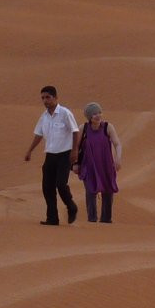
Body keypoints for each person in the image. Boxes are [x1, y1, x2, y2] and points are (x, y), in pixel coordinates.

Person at [24, 85, 79, 225]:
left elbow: (75, 131)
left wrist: (74, 151)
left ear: (55, 97)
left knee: (61, 184)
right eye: (43, 98)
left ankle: (71, 206)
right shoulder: (44, 117)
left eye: (48, 97)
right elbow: (38, 134)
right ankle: (52, 218)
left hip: (65, 154)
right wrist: (30, 150)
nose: (45, 100)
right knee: (47, 187)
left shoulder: (65, 113)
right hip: (50, 155)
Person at [74, 101, 121, 224]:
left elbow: (117, 143)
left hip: (106, 166)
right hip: (89, 166)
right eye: (94, 113)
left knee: (108, 192)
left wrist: (118, 158)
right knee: (90, 192)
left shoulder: (107, 127)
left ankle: (106, 220)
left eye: (99, 112)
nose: (98, 115)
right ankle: (92, 220)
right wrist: (75, 163)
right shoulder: (83, 128)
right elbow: (75, 147)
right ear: (89, 116)